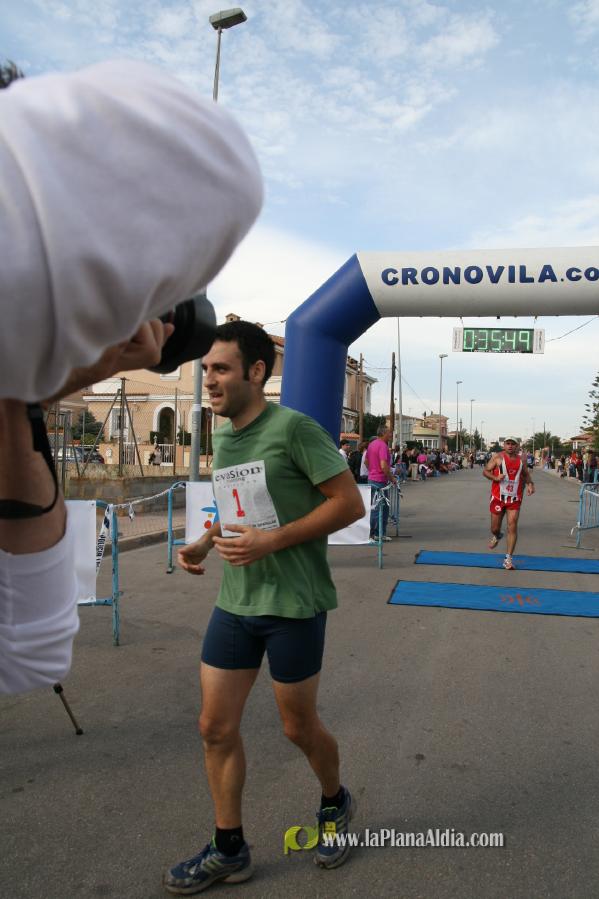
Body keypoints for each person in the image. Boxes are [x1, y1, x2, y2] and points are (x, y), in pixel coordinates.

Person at [0, 58, 262, 694]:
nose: (210, 379)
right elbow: (28, 650)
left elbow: (25, 654)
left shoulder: (285, 434)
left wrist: (32, 385)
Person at [169, 321, 364, 893]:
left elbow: (349, 504)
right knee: (213, 726)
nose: (210, 380)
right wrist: (208, 539)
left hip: (294, 604)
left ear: (258, 372)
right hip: (236, 601)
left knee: (297, 727)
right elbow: (242, 507)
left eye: (221, 369)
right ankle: (229, 848)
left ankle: (335, 802)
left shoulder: (296, 429)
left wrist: (273, 542)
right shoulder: (225, 436)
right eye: (206, 370)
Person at [483, 437, 535, 570]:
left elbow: (526, 474)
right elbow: (485, 471)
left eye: (513, 444)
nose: (510, 446)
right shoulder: (497, 457)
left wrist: (530, 484)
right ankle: (497, 535)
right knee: (494, 528)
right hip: (498, 497)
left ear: (517, 446)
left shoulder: (521, 460)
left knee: (512, 525)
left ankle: (508, 559)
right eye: (508, 443)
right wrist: (495, 477)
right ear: (504, 445)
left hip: (514, 498)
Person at [365, 426, 397, 543]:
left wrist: (372, 471)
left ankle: (377, 533)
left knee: (379, 507)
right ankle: (374, 534)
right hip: (379, 481)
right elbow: (384, 465)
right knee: (379, 508)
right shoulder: (383, 446)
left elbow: (366, 461)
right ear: (383, 433)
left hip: (373, 479)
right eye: (389, 433)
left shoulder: (372, 444)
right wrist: (392, 478)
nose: (390, 435)